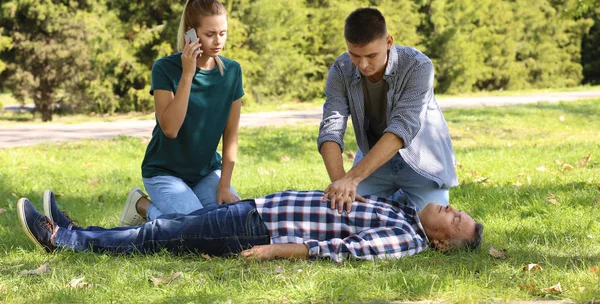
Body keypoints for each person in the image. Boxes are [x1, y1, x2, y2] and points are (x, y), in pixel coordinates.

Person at [18, 190, 483, 262]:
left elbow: (343, 249)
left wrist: (275, 250)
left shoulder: (404, 238)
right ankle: (80, 232)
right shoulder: (405, 214)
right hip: (261, 209)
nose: (448, 209)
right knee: (171, 225)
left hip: (258, 230)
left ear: (441, 242)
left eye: (455, 218)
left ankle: (66, 240)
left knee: (158, 234)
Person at [118, 0, 244, 227]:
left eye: (222, 33)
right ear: (191, 33)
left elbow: (231, 136)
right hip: (164, 172)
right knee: (196, 229)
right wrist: (187, 74)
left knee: (234, 223)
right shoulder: (165, 68)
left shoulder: (232, 72)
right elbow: (170, 129)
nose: (218, 41)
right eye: (209, 34)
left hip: (206, 172)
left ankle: (167, 208)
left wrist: (224, 185)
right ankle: (143, 207)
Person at [318, 8, 457, 213]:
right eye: (355, 55)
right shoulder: (341, 69)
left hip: (422, 163)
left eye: (371, 55)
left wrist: (352, 178)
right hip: (373, 161)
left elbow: (401, 129)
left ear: (389, 42)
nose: (363, 64)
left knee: (433, 227)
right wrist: (342, 184)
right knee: (343, 215)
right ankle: (393, 201)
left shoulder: (418, 66)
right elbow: (331, 128)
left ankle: (398, 200)